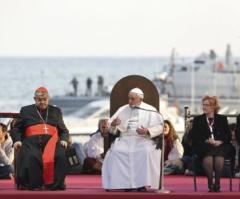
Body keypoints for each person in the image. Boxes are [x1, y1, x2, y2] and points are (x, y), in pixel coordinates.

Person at [102, 88, 163, 191]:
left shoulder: (150, 109)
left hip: (143, 139)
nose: (129, 101)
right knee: (116, 151)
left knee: (145, 151)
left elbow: (161, 126)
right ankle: (125, 184)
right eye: (129, 99)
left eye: (132, 99)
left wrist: (148, 131)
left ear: (140, 99)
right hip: (125, 139)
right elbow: (111, 130)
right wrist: (113, 125)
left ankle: (142, 185)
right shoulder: (122, 109)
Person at [11, 87, 69, 190]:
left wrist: (64, 139)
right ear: (35, 99)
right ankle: (33, 184)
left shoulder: (55, 111)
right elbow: (16, 128)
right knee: (31, 156)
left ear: (48, 99)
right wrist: (17, 141)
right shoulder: (26, 110)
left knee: (59, 155)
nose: (42, 102)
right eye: (39, 100)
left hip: (52, 142)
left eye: (44, 99)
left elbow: (63, 130)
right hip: (31, 142)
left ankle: (55, 185)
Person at [191, 96, 232, 192]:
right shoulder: (198, 120)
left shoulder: (222, 119)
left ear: (213, 107)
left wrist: (219, 141)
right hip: (204, 145)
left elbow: (228, 136)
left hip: (220, 145)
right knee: (208, 155)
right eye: (203, 105)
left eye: (207, 105)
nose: (204, 107)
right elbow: (195, 136)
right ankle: (210, 183)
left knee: (219, 156)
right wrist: (207, 140)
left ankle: (217, 183)